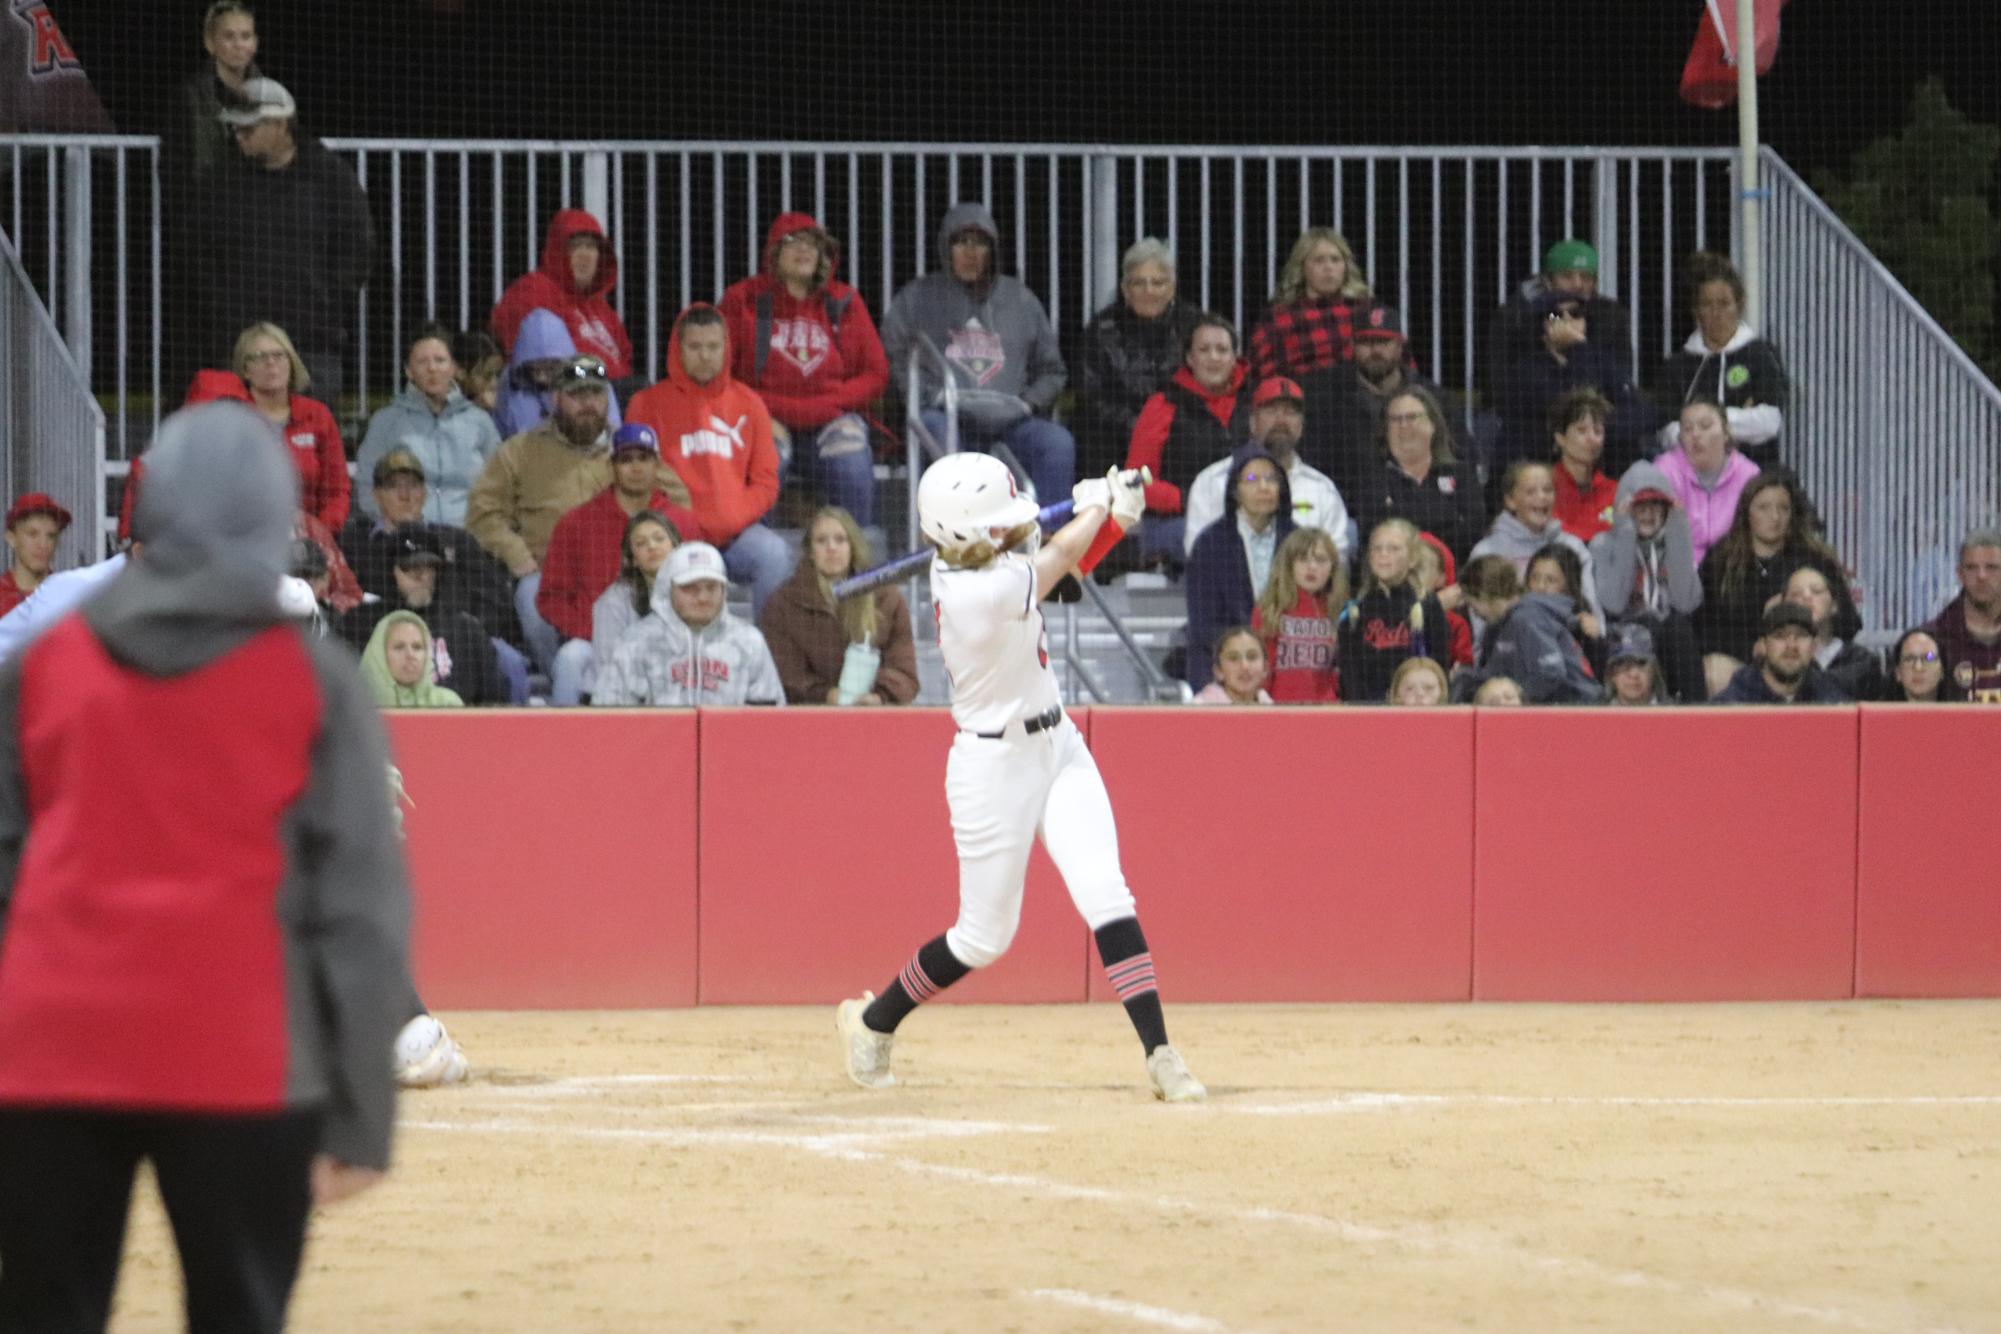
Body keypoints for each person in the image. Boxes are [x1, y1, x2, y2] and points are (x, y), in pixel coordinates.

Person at [0, 400, 410, 1334]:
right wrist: (359, 1115)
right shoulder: (314, 686)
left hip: (50, 1053)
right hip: (244, 1055)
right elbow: (358, 909)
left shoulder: (44, 668)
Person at [834, 452, 1204, 1103]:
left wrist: (1111, 517)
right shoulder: (975, 590)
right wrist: (1098, 503)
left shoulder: (996, 562)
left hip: (1057, 746)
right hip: (990, 768)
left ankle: (1161, 1054)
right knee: (982, 938)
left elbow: (1069, 569)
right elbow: (1057, 559)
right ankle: (873, 1021)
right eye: (995, 526)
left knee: (1106, 894)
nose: (1007, 531)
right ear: (958, 536)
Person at [468, 355, 681, 677]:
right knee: (530, 593)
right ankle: (561, 676)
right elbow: (482, 512)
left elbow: (679, 502)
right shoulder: (521, 450)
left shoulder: (627, 450)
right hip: (549, 573)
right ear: (556, 399)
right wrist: (515, 553)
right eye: (577, 395)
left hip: (620, 572)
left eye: (595, 395)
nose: (588, 404)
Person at [192, 78, 374, 406]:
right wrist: (223, 315)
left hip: (312, 346)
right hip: (239, 348)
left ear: (281, 124)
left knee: (306, 447)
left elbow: (358, 248)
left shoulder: (330, 177)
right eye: (236, 128)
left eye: (249, 127)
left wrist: (327, 305)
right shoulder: (219, 184)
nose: (239, 135)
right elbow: (200, 257)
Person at [881, 202, 1074, 504]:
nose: (971, 252)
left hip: (1011, 424)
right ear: (946, 247)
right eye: (961, 242)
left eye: (980, 242)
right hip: (948, 417)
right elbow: (894, 355)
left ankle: (1051, 540)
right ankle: (952, 536)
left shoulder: (1021, 300)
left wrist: (1029, 403)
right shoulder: (917, 298)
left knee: (1056, 442)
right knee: (932, 428)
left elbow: (1052, 370)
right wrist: (930, 396)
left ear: (993, 250)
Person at [718, 213, 890, 526]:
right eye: (793, 242)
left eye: (813, 244)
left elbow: (876, 372)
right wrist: (763, 405)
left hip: (830, 419)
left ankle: (857, 566)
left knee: (851, 462)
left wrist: (834, 402)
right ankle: (759, 563)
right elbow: (720, 374)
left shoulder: (844, 301)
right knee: (761, 464)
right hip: (764, 416)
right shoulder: (743, 300)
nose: (805, 250)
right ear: (773, 252)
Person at [626, 304, 791, 615]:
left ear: (726, 348)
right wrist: (682, 525)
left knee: (776, 553)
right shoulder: (646, 404)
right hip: (672, 537)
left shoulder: (749, 402)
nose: (705, 355)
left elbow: (766, 481)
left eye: (713, 346)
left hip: (736, 536)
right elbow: (637, 478)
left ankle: (767, 656)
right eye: (695, 346)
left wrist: (731, 519)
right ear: (678, 348)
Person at [539, 424, 708, 705]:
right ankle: (565, 745)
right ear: (611, 466)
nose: (636, 467)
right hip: (596, 639)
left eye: (643, 458)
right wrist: (595, 630)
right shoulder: (577, 522)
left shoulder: (682, 521)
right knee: (570, 658)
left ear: (657, 465)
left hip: (672, 639)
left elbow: (702, 585)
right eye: (626, 460)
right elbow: (551, 598)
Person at [338, 447, 525, 700]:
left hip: (459, 638)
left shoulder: (457, 540)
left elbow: (493, 598)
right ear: (376, 495)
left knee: (509, 660)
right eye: (394, 486)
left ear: (425, 493)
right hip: (385, 636)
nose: (405, 495)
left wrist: (461, 627)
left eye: (413, 486)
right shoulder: (357, 544)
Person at [1694, 470, 1856, 691]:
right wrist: (1754, 648)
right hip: (1743, 664)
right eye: (1764, 508)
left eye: (1783, 508)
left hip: (1804, 663)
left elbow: (1849, 622)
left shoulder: (1815, 560)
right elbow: (1702, 627)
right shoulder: (1720, 562)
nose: (1775, 517)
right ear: (1746, 513)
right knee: (1713, 670)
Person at [592, 541, 784, 708]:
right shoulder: (636, 642)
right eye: (689, 588)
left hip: (730, 748)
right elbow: (609, 715)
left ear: (724, 590)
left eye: (711, 587)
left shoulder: (749, 641)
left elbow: (769, 718)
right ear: (668, 590)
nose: (702, 597)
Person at [759, 508, 920, 706]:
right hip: (809, 717)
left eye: (840, 540)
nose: (831, 547)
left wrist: (879, 697)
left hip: (876, 716)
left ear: (853, 546)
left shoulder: (887, 598)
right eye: (821, 541)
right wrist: (827, 695)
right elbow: (786, 674)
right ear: (810, 551)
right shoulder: (782, 603)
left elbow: (904, 671)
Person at [1181, 376, 1350, 564]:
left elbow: (1337, 560)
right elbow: (1198, 556)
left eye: (1290, 412)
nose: (1281, 420)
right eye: (1271, 410)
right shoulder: (1212, 482)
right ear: (1252, 422)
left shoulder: (1322, 490)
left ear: (1301, 426)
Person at [1123, 313, 1248, 562]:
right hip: (1175, 520)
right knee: (1214, 543)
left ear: (1235, 358)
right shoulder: (1163, 404)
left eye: (1222, 350)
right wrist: (1188, 498)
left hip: (1245, 517)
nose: (1214, 357)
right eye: (1204, 349)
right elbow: (1134, 481)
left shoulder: (1253, 406)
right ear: (1190, 358)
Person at [1073, 238, 1202, 479]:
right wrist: (1139, 426)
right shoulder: (1102, 329)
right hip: (1115, 434)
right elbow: (1090, 396)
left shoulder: (1193, 324)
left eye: (1158, 282)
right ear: (1124, 289)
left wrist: (1164, 425)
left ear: (1172, 287)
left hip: (1178, 430)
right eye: (1138, 283)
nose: (1149, 291)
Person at [355, 324, 503, 529]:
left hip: (471, 537)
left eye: (440, 360)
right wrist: (387, 523)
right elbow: (366, 484)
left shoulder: (480, 422)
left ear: (453, 368)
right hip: (408, 534)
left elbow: (501, 486)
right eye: (422, 361)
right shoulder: (386, 421)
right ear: (409, 371)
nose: (432, 368)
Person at [1494, 289, 1651, 481]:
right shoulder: (1525, 372)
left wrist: (1599, 430)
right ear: (1542, 326)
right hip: (1546, 473)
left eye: (1576, 313)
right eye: (1556, 315)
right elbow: (1573, 408)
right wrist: (1579, 347)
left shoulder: (1603, 362)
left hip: (1604, 469)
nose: (1567, 320)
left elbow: (1639, 417)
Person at [1654, 252, 1789, 469]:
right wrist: (1736, 421)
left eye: (1724, 303)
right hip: (1694, 483)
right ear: (1696, 311)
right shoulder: (1677, 366)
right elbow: (1668, 433)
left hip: (1754, 482)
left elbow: (1769, 422)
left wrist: (1698, 426)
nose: (1716, 313)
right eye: (1707, 304)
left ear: (1739, 305)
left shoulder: (1760, 355)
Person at [1588, 459, 1705, 703]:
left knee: (1678, 627)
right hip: (1620, 636)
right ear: (1624, 508)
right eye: (1640, 506)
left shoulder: (1675, 542)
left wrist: (1679, 530)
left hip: (1664, 639)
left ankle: (1697, 717)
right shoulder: (1602, 544)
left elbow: (1686, 603)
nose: (1648, 514)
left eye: (1656, 506)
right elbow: (1614, 604)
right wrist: (1625, 533)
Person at [344, 529, 504, 706]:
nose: (423, 576)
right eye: (411, 568)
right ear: (390, 572)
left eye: (430, 567)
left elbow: (494, 701)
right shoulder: (360, 623)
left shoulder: (466, 629)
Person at [1307, 304, 1448, 502]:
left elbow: (1457, 457)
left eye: (1384, 342)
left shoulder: (1431, 396)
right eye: (1366, 342)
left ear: (1400, 346)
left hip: (1421, 505)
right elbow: (1315, 469)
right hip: (1350, 512)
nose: (1375, 351)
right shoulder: (1326, 397)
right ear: (1353, 347)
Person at [1183, 445, 1295, 688]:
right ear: (1235, 490)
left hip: (1289, 664)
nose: (1263, 487)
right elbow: (1203, 625)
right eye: (1253, 479)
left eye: (1271, 479)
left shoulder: (1297, 540)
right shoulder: (1209, 544)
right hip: (1226, 668)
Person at [1347, 384, 1487, 565]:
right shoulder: (1371, 480)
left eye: (1412, 417)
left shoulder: (1461, 475)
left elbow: (1471, 533)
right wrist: (1446, 517)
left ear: (1433, 424)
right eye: (1395, 419)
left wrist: (1404, 518)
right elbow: (1375, 536)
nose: (1404, 426)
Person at [490, 209, 635, 385]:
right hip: (563, 396)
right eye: (575, 246)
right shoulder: (533, 290)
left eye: (591, 246)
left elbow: (626, 359)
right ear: (557, 249)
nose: (585, 255)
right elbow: (539, 362)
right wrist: (606, 375)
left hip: (607, 394)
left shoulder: (602, 310)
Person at [232, 322, 350, 531]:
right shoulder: (233, 420)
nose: (271, 363)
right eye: (260, 356)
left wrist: (318, 533)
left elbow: (337, 491)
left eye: (279, 355)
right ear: (245, 369)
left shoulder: (318, 415)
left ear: (291, 362)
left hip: (313, 545)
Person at [1486, 239, 1635, 387]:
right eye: (1567, 276)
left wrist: (1578, 346)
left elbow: (1620, 377)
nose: (1577, 284)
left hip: (1594, 405)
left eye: (1586, 277)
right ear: (1547, 281)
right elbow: (1503, 381)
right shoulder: (1517, 316)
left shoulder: (1610, 316)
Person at [1469, 461, 1604, 621]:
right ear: (1510, 500)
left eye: (1547, 490)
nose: (1542, 497)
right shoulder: (1487, 552)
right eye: (1531, 492)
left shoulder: (1573, 547)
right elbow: (1482, 624)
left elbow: (1591, 609)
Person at [1336, 518, 1452, 705]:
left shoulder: (1426, 606)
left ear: (1412, 558)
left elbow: (1439, 666)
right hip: (1369, 712)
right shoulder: (1355, 611)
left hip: (1417, 709)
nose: (1384, 555)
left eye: (1394, 549)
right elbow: (1350, 674)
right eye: (1377, 548)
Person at [1247, 228, 1375, 383]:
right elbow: (1261, 377)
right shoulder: (1278, 318)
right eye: (1318, 260)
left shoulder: (1367, 311)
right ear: (1301, 268)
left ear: (1346, 266)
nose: (1329, 267)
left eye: (1335, 259)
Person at [1651, 395, 1761, 564]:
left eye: (1705, 426)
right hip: (1678, 572)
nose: (1695, 434)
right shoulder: (1664, 471)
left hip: (1734, 570)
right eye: (1687, 429)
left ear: (1726, 433)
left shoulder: (1749, 475)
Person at [587, 510, 681, 699]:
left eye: (659, 538)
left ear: (675, 547)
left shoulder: (697, 591)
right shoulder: (612, 603)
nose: (652, 546)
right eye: (641, 543)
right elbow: (609, 671)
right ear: (633, 560)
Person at [491, 311, 624, 441]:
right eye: (536, 369)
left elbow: (612, 435)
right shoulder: (510, 383)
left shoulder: (593, 379)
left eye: (551, 368)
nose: (543, 377)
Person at [1251, 526, 1345, 704]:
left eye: (1320, 559)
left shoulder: (1339, 610)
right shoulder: (1270, 609)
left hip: (1327, 711)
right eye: (1302, 559)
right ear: (1288, 565)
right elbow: (1262, 670)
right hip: (1279, 709)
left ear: (1332, 567)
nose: (1312, 567)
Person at [175, 2, 259, 181]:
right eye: (229, 36)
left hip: (259, 202)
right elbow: (173, 166)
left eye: (245, 36)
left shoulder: (271, 96)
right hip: (205, 201)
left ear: (255, 43)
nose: (238, 45)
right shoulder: (189, 95)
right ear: (210, 42)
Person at [1713, 603, 1851, 704]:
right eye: (1780, 636)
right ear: (1763, 645)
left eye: (1801, 635)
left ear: (1813, 646)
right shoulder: (1730, 706)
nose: (1791, 645)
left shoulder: (1833, 703)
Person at [1784, 565, 1886, 701]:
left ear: (1834, 605)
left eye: (1816, 591)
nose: (1806, 597)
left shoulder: (1862, 661)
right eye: (1796, 594)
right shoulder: (1775, 659)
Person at [1925, 529, 2001, 703]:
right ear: (1960, 574)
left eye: (1992, 567)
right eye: (1972, 568)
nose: (1982, 576)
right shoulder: (1934, 641)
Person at [359, 607, 466, 709]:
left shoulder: (447, 702)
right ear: (379, 655)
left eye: (417, 647)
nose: (410, 654)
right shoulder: (357, 705)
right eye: (399, 647)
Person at [1548, 388, 1618, 544]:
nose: (1592, 438)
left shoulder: (1615, 491)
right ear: (1560, 438)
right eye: (1582, 430)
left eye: (1598, 431)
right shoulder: (1545, 488)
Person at [0, 493, 71, 616]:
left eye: (51, 536)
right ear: (11, 538)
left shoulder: (68, 599)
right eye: (32, 534)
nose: (43, 545)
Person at [1191, 626, 1273, 705]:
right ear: (1219, 671)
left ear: (1265, 668)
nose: (1245, 666)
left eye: (1252, 657)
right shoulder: (1199, 708)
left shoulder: (1269, 705)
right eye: (1233, 658)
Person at [1603, 622, 1670, 706]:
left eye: (1641, 663)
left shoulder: (1675, 714)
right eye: (1624, 665)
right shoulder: (1594, 715)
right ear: (1611, 674)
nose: (1634, 674)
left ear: (1654, 671)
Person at [1881, 628, 1954, 703]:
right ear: (1898, 672)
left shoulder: (1959, 710)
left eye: (1928, 659)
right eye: (1909, 659)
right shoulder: (1878, 713)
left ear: (1942, 671)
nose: (1918, 667)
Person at [451, 330, 504, 417]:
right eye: (487, 376)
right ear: (460, 373)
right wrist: (475, 409)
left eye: (498, 374)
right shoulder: (441, 399)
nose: (495, 383)